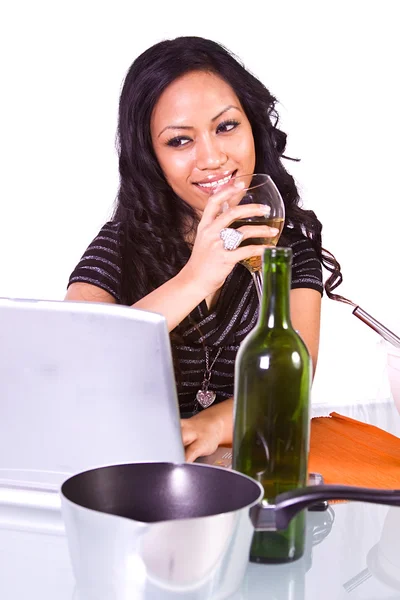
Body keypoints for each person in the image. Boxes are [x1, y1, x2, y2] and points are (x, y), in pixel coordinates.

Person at [66, 36, 342, 462]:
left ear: (253, 127)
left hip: (237, 480)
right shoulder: (121, 245)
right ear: (150, 156)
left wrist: (209, 427)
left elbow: (290, 389)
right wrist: (196, 277)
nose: (211, 157)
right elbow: (76, 365)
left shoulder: (288, 250)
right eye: (179, 141)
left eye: (226, 126)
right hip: (131, 473)